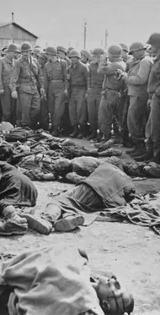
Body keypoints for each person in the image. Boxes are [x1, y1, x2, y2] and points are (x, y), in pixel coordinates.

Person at [0, 245, 134, 315]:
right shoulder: (84, 270)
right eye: (116, 279)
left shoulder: (86, 298)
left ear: (106, 305)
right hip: (12, 269)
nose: (113, 280)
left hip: (7, 290)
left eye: (117, 287)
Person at [22, 162, 134, 235]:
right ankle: (69, 217)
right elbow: (131, 196)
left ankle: (48, 219)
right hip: (107, 202)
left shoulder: (105, 166)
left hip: (90, 187)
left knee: (61, 200)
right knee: (79, 206)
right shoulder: (128, 180)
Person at [121, 42, 153, 159]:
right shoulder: (140, 61)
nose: (132, 55)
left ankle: (141, 147)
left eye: (133, 52)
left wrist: (126, 78)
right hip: (135, 94)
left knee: (135, 121)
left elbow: (141, 79)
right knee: (133, 121)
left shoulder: (145, 62)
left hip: (139, 95)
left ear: (140, 50)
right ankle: (138, 146)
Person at [137, 33, 160, 164]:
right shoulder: (157, 60)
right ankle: (150, 152)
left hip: (158, 97)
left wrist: (156, 94)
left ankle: (157, 156)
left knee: (156, 127)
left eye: (152, 45)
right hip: (154, 97)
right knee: (151, 127)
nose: (150, 47)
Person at [10, 41, 44, 129]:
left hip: (34, 88)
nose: (25, 53)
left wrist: (42, 87)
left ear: (30, 52)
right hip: (24, 89)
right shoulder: (18, 62)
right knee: (25, 111)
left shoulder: (35, 61)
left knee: (37, 109)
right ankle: (26, 128)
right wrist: (13, 90)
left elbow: (40, 75)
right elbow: (14, 77)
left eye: (27, 51)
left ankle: (25, 124)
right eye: (23, 52)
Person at [97, 45, 127, 142]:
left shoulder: (116, 65)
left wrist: (102, 60)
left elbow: (100, 71)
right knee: (115, 117)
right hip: (114, 93)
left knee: (105, 116)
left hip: (110, 94)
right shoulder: (121, 63)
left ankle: (107, 138)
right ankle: (117, 137)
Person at [44, 46, 68, 136]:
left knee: (58, 109)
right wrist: (45, 90)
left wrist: (66, 88)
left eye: (47, 54)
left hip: (60, 86)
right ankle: (54, 126)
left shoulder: (63, 63)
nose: (46, 56)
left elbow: (66, 77)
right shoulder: (47, 65)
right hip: (51, 87)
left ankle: (56, 128)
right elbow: (46, 79)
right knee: (51, 109)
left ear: (51, 54)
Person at [67, 50, 90, 138]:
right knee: (72, 110)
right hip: (73, 89)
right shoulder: (70, 68)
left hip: (82, 89)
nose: (72, 59)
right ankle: (75, 130)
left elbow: (88, 80)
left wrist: (87, 91)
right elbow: (68, 80)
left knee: (81, 111)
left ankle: (82, 131)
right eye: (71, 58)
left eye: (74, 57)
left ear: (78, 58)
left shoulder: (84, 67)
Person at [0, 43, 19, 126]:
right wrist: (0, 87)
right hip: (5, 88)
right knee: (6, 111)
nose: (15, 54)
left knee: (13, 109)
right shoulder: (1, 61)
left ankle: (12, 128)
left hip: (13, 88)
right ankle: (4, 128)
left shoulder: (15, 62)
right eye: (14, 52)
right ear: (9, 52)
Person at [86, 48, 106, 141]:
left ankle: (101, 134)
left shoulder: (105, 66)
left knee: (100, 114)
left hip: (101, 91)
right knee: (91, 113)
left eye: (95, 56)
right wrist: (88, 89)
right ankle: (93, 132)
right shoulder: (91, 66)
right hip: (92, 91)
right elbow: (88, 78)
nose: (93, 57)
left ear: (100, 56)